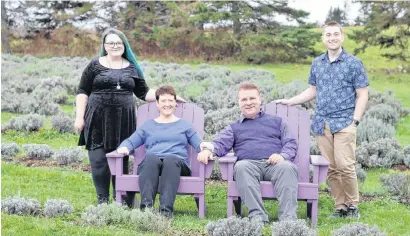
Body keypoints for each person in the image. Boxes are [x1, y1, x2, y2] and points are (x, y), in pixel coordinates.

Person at [74, 28, 185, 205]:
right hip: (96, 119)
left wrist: (166, 96)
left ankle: (124, 201)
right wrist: (80, 117)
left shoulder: (132, 67)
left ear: (124, 45)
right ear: (105, 46)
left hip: (123, 121)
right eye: (111, 43)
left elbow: (143, 92)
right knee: (99, 161)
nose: (115, 46)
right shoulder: (94, 65)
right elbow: (82, 91)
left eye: (118, 43)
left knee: (121, 159)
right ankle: (103, 201)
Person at [275, 21, 369, 219]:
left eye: (336, 34)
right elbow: (312, 91)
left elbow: (362, 94)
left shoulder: (353, 63)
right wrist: (290, 101)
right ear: (323, 38)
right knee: (332, 168)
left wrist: (355, 120)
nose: (332, 38)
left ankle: (353, 205)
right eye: (328, 35)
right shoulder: (317, 63)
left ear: (342, 37)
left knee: (345, 165)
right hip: (322, 123)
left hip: (345, 123)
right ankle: (340, 207)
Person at [197, 83, 298, 223]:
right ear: (239, 102)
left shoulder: (278, 122)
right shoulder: (234, 127)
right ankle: (258, 217)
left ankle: (288, 220)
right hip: (249, 166)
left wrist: (282, 156)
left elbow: (290, 143)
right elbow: (220, 144)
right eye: (244, 99)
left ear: (260, 100)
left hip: (275, 164)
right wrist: (208, 150)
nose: (248, 102)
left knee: (288, 167)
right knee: (240, 166)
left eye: (252, 98)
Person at [117, 85, 207, 218]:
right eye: (163, 101)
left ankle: (165, 212)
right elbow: (131, 141)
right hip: (152, 166)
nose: (167, 104)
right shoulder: (148, 125)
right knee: (151, 157)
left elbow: (198, 143)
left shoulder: (184, 125)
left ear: (175, 103)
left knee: (171, 159)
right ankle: (146, 211)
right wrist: (124, 148)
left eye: (171, 100)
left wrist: (205, 150)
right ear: (157, 104)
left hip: (177, 165)